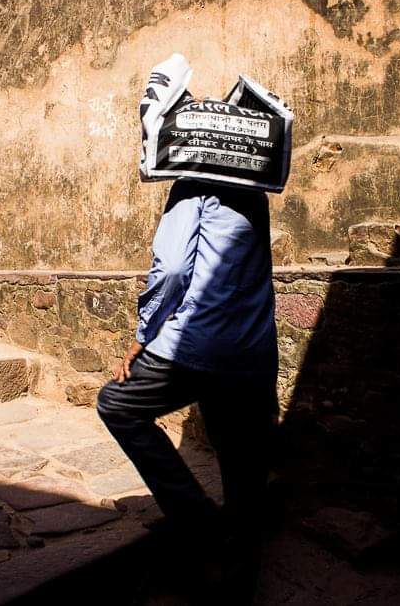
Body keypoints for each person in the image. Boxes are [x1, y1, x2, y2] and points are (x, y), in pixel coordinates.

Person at [96, 175, 279, 588]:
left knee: (117, 404)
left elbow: (174, 269)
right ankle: (238, 575)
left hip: (195, 344)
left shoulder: (192, 187)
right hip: (253, 346)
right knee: (240, 455)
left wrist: (144, 335)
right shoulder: (255, 191)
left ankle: (197, 520)